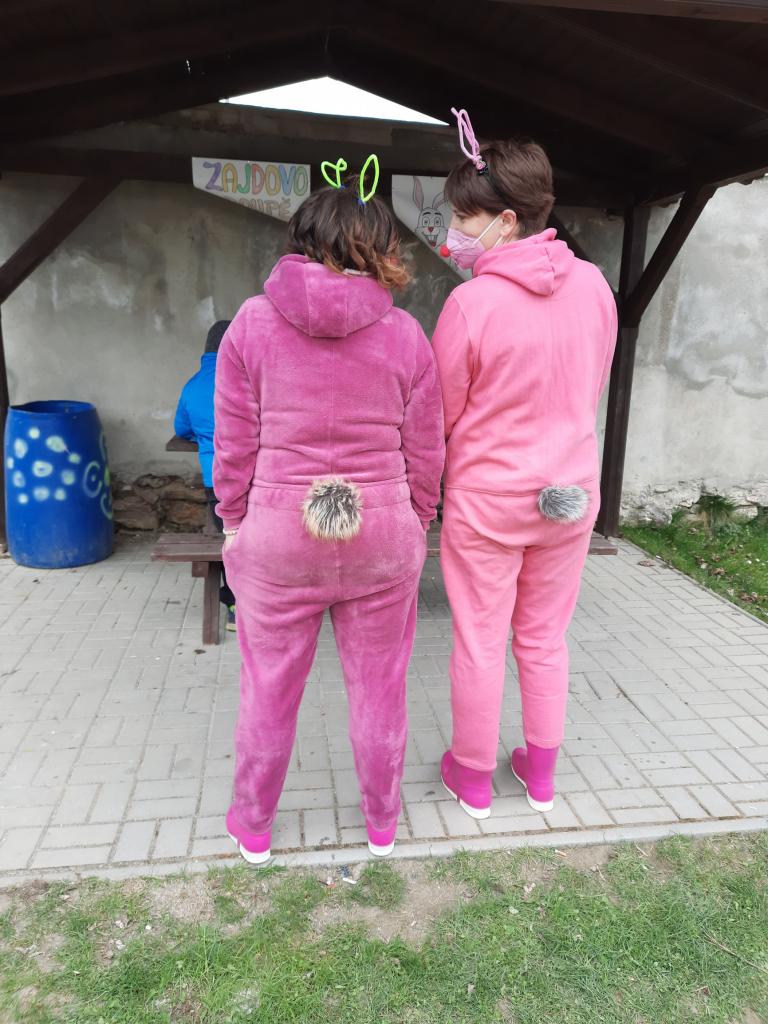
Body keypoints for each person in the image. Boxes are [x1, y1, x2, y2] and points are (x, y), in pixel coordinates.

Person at [213, 177, 445, 864]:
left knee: (268, 689)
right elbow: (427, 448)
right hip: (382, 534)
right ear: (379, 246)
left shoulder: (250, 324)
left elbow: (233, 443)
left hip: (279, 533)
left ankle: (255, 826)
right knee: (381, 692)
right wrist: (418, 518)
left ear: (303, 239)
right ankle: (381, 824)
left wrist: (233, 520)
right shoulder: (406, 334)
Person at [433, 132, 617, 820]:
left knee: (481, 640)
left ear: (506, 220)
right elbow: (592, 383)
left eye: (464, 217)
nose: (453, 232)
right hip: (570, 493)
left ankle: (473, 777)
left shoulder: (471, 305)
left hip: (488, 500)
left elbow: (439, 413)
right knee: (543, 638)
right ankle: (541, 777)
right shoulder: (595, 287)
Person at [173, 320, 237, 630]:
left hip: (216, 482)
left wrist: (203, 433)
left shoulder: (193, 386)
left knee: (228, 538)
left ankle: (235, 605)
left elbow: (180, 429)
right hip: (253, 478)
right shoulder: (249, 380)